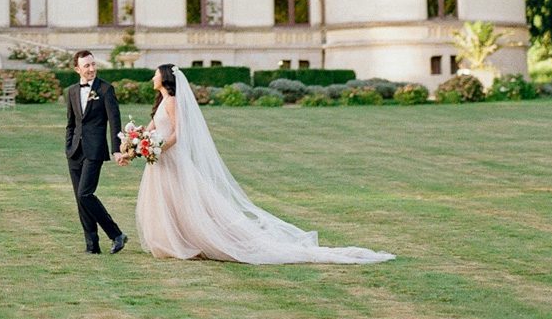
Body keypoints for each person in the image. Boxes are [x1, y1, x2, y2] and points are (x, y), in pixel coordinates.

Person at [133, 64, 394, 264]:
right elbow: (151, 129)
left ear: (165, 78)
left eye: (155, 74)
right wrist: (135, 143)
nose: (152, 78)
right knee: (166, 202)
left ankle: (192, 241)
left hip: (170, 158)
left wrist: (158, 147)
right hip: (159, 161)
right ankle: (172, 242)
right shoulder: (160, 102)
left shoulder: (174, 102)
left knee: (185, 201)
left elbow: (178, 134)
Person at [63, 49, 128, 255]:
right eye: (87, 66)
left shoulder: (106, 89)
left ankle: (116, 234)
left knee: (85, 194)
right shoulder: (72, 91)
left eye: (93, 64)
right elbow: (71, 124)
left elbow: (114, 122)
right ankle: (92, 246)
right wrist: (68, 147)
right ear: (77, 69)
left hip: (94, 150)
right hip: (74, 151)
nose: (91, 69)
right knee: (80, 199)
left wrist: (117, 150)